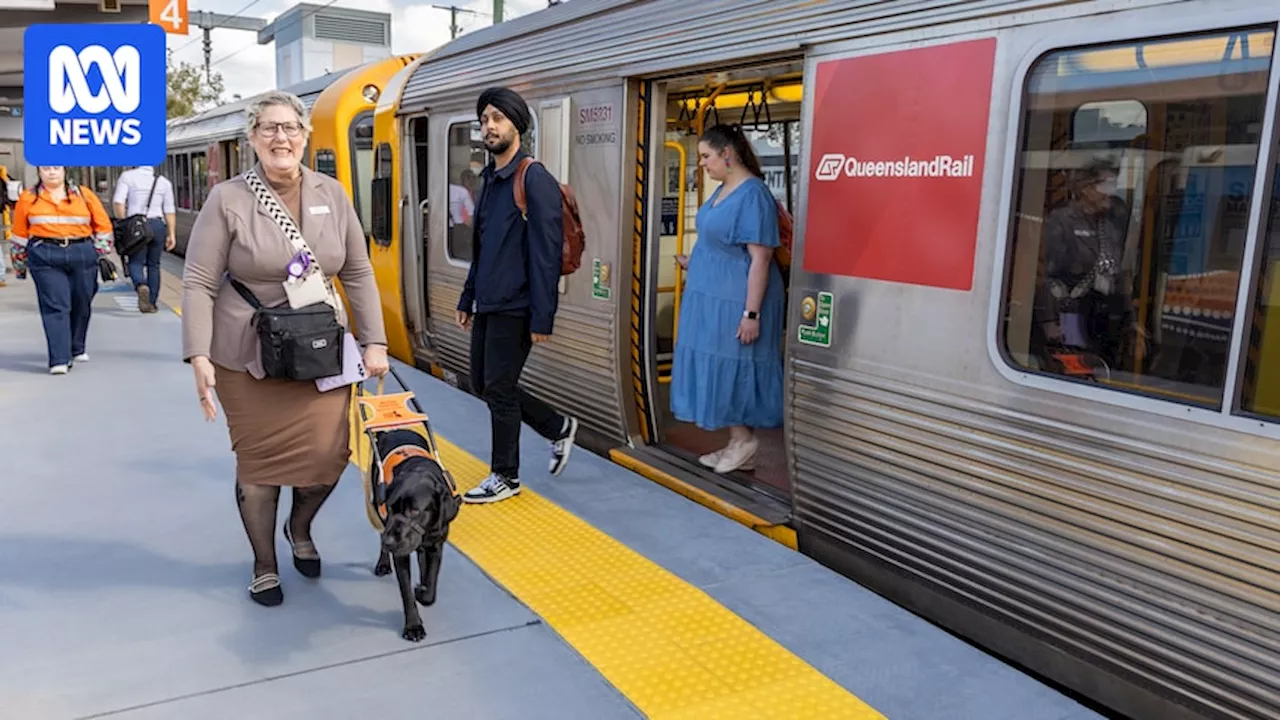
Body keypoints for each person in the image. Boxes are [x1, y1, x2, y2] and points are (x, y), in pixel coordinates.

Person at [181, 90, 391, 607]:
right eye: (269, 128)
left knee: (328, 457)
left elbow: (358, 271)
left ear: (305, 136)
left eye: (290, 128)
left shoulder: (333, 193)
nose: (281, 138)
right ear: (252, 138)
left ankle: (300, 528)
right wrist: (199, 355)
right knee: (259, 469)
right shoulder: (228, 199)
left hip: (320, 353)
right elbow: (199, 280)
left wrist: (376, 341)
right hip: (247, 355)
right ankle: (264, 563)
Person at [455, 86, 580, 505]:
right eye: (485, 119)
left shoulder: (534, 178)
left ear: (517, 126)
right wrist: (467, 296)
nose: (489, 126)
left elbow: (546, 253)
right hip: (489, 300)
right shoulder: (490, 178)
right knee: (482, 383)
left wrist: (543, 317)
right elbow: (483, 245)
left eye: (498, 119)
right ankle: (557, 426)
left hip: (518, 304)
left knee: (500, 387)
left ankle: (505, 476)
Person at [670, 124, 785, 474]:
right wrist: (698, 262)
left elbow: (760, 259)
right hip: (712, 297)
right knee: (718, 365)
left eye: (706, 156)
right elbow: (723, 242)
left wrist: (751, 313)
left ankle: (745, 441)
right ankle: (737, 442)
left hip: (735, 301)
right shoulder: (724, 190)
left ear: (727, 154)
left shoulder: (753, 195)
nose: (702, 163)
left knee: (731, 366)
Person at [9, 165, 114, 374]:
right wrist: (19, 265)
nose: (52, 172)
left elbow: (103, 225)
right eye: (46, 168)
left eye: (56, 168)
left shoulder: (84, 195)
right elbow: (19, 233)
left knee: (82, 301)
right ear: (39, 172)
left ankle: (76, 346)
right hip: (45, 255)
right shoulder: (28, 199)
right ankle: (59, 358)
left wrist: (100, 252)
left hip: (81, 252)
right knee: (56, 305)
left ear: (65, 171)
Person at [113, 164, 176, 313]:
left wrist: (123, 224)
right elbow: (169, 210)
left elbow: (118, 202)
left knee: (135, 261)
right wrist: (171, 233)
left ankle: (141, 285)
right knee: (154, 265)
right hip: (157, 225)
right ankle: (152, 303)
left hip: (136, 225)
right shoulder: (164, 182)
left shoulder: (127, 177)